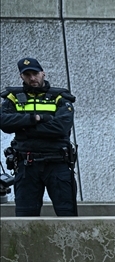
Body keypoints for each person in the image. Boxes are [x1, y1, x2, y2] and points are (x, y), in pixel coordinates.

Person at [1, 57, 77, 217]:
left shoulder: (59, 97)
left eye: (35, 73)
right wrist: (34, 119)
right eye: (27, 75)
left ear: (43, 73)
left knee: (67, 216)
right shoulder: (13, 97)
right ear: (21, 77)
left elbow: (61, 127)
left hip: (57, 163)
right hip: (26, 165)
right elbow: (4, 122)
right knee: (24, 218)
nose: (32, 78)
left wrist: (23, 128)